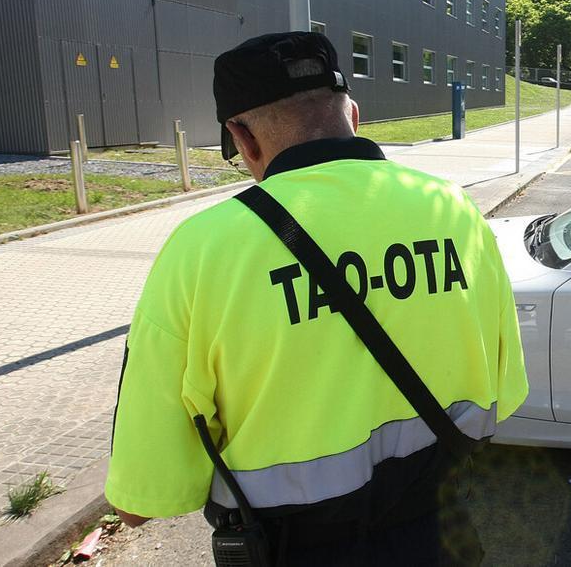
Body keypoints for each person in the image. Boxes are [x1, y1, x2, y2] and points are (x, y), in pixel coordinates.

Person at [105, 31, 528, 564]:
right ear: (354, 115)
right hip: (441, 539)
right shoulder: (454, 210)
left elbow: (140, 500)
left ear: (243, 138)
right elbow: (506, 389)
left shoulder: (201, 250)